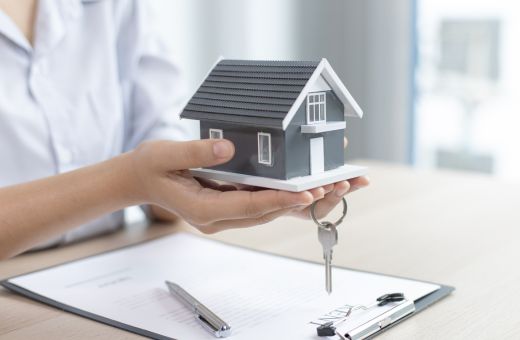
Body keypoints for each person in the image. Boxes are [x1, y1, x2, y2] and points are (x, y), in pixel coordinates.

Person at [0, 0, 369, 260]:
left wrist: (201, 183)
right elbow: (140, 175)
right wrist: (128, 181)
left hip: (117, 257)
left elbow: (158, 134)